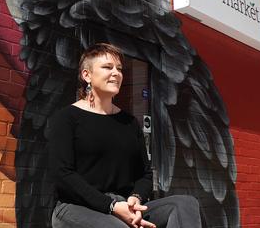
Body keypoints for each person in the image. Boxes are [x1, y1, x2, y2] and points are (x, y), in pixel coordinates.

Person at [48, 43, 202, 228]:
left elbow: (145, 174)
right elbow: (63, 175)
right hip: (76, 207)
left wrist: (135, 199)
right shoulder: (66, 118)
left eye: (119, 69)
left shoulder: (129, 123)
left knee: (185, 204)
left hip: (123, 205)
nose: (116, 73)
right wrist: (111, 206)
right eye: (107, 67)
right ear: (86, 75)